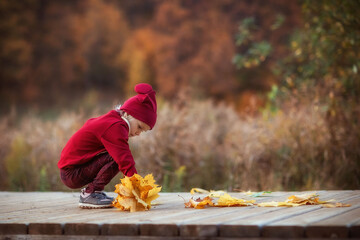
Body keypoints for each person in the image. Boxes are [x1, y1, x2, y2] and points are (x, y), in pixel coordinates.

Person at [58, 83, 157, 209]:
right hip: (72, 173)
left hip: (74, 169)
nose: (138, 133)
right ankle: (90, 194)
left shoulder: (112, 121)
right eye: (139, 127)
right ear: (127, 114)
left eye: (142, 131)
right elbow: (124, 159)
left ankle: (93, 192)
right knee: (115, 157)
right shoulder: (115, 127)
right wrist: (136, 187)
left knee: (115, 155)